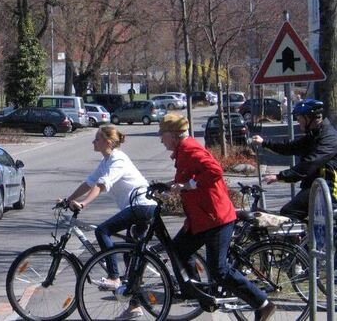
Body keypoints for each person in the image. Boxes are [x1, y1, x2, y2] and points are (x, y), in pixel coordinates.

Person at [158, 114, 275, 321]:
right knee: (178, 250)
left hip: (216, 218)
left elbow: (215, 171)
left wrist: (189, 185)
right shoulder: (183, 150)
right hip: (201, 219)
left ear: (174, 135)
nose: (161, 139)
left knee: (219, 270)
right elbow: (186, 178)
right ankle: (196, 292)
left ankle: (262, 303)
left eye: (163, 135)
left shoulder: (190, 149)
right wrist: (167, 187)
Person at [63, 124, 156, 319]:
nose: (93, 141)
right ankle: (134, 306)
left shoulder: (118, 159)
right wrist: (69, 199)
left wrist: (83, 203)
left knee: (102, 231)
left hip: (141, 206)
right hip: (136, 208)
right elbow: (89, 182)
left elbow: (101, 185)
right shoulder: (106, 161)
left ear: (108, 141)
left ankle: (114, 277)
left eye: (96, 138)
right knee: (131, 257)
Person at [251, 99, 337, 220]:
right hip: (315, 186)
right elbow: (290, 147)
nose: (297, 120)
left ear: (310, 117)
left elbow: (310, 163)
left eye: (300, 117)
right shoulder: (315, 134)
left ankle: (304, 238)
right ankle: (307, 237)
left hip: (329, 189)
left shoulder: (329, 138)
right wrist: (264, 143)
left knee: (289, 212)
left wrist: (281, 176)